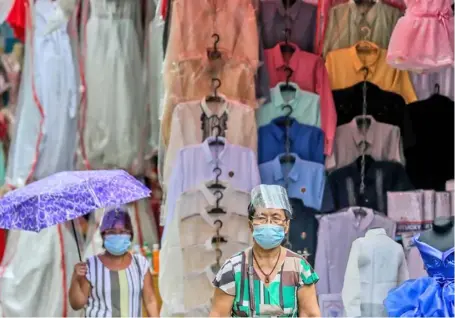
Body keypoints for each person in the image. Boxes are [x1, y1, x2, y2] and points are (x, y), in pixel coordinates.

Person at [210, 184, 321, 317]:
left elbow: (310, 314)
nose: (269, 223)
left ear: (286, 226)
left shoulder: (299, 268)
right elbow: (219, 315)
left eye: (275, 218)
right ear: (250, 225)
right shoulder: (233, 269)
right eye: (261, 218)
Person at [68, 206, 159, 317]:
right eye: (112, 232)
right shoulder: (91, 266)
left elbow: (150, 300)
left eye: (122, 231)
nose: (117, 236)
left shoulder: (140, 265)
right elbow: (77, 304)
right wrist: (75, 279)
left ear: (130, 234)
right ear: (103, 234)